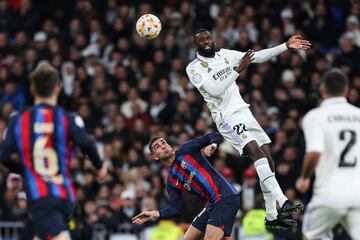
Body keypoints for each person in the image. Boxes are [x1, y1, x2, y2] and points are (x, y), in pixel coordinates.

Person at [185, 29, 311, 228]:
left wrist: (285, 46)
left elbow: (256, 57)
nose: (206, 42)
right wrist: (237, 70)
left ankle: (271, 216)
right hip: (226, 116)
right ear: (196, 45)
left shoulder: (225, 55)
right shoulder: (194, 68)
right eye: (201, 40)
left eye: (208, 38)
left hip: (244, 111)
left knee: (269, 161)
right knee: (255, 151)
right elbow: (215, 90)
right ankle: (283, 201)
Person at [0, 63, 108, 240]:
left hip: (41, 197)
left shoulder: (19, 121)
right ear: (58, 88)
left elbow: (4, 157)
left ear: (32, 89)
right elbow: (86, 143)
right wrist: (100, 167)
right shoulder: (67, 118)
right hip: (65, 196)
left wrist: (27, 170)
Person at [132, 132, 295, 240]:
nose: (163, 146)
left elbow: (214, 135)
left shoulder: (186, 150)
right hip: (212, 204)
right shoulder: (171, 181)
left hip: (226, 198)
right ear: (155, 157)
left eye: (163, 142)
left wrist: (213, 145)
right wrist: (155, 213)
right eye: (157, 147)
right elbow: (175, 209)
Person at [296, 69, 360, 240]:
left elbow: (315, 151)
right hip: (358, 194)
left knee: (309, 236)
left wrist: (304, 177)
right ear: (346, 90)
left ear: (322, 89)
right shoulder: (358, 115)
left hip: (329, 195)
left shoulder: (315, 116)